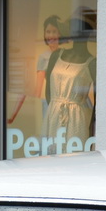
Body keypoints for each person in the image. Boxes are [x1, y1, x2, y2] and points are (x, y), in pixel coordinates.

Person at [41, 16, 96, 150]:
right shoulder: (56, 55)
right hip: (54, 113)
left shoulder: (92, 63)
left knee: (74, 159)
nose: (75, 34)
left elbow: (97, 104)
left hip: (77, 118)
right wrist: (55, 109)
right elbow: (48, 92)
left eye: (79, 31)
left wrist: (90, 128)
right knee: (52, 159)